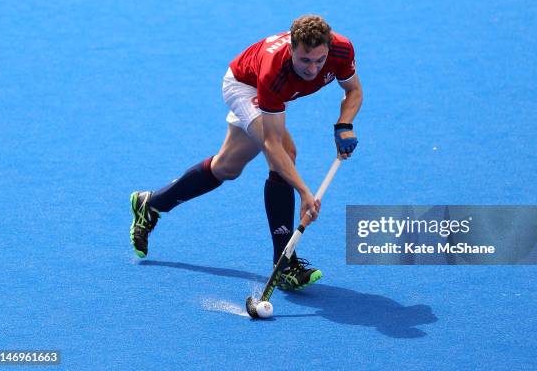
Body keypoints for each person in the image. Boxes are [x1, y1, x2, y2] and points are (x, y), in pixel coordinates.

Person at [129, 14, 362, 290]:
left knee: (227, 166)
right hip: (243, 85)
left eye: (319, 61)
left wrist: (344, 125)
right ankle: (284, 263)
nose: (312, 69)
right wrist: (304, 192)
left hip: (266, 90)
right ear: (291, 49)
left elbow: (354, 90)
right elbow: (273, 145)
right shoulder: (274, 72)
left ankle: (151, 203)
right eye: (305, 60)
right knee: (286, 151)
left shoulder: (341, 48)